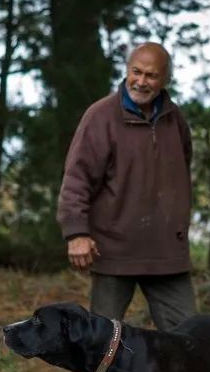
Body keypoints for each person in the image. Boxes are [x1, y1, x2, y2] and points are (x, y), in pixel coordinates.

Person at [56, 42, 196, 332]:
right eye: (136, 72)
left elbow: (182, 170)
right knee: (103, 343)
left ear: (165, 79)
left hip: (166, 251)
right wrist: (77, 232)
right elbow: (76, 178)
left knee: (189, 340)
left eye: (151, 75)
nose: (141, 81)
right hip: (113, 250)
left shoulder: (175, 120)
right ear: (127, 70)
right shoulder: (100, 116)